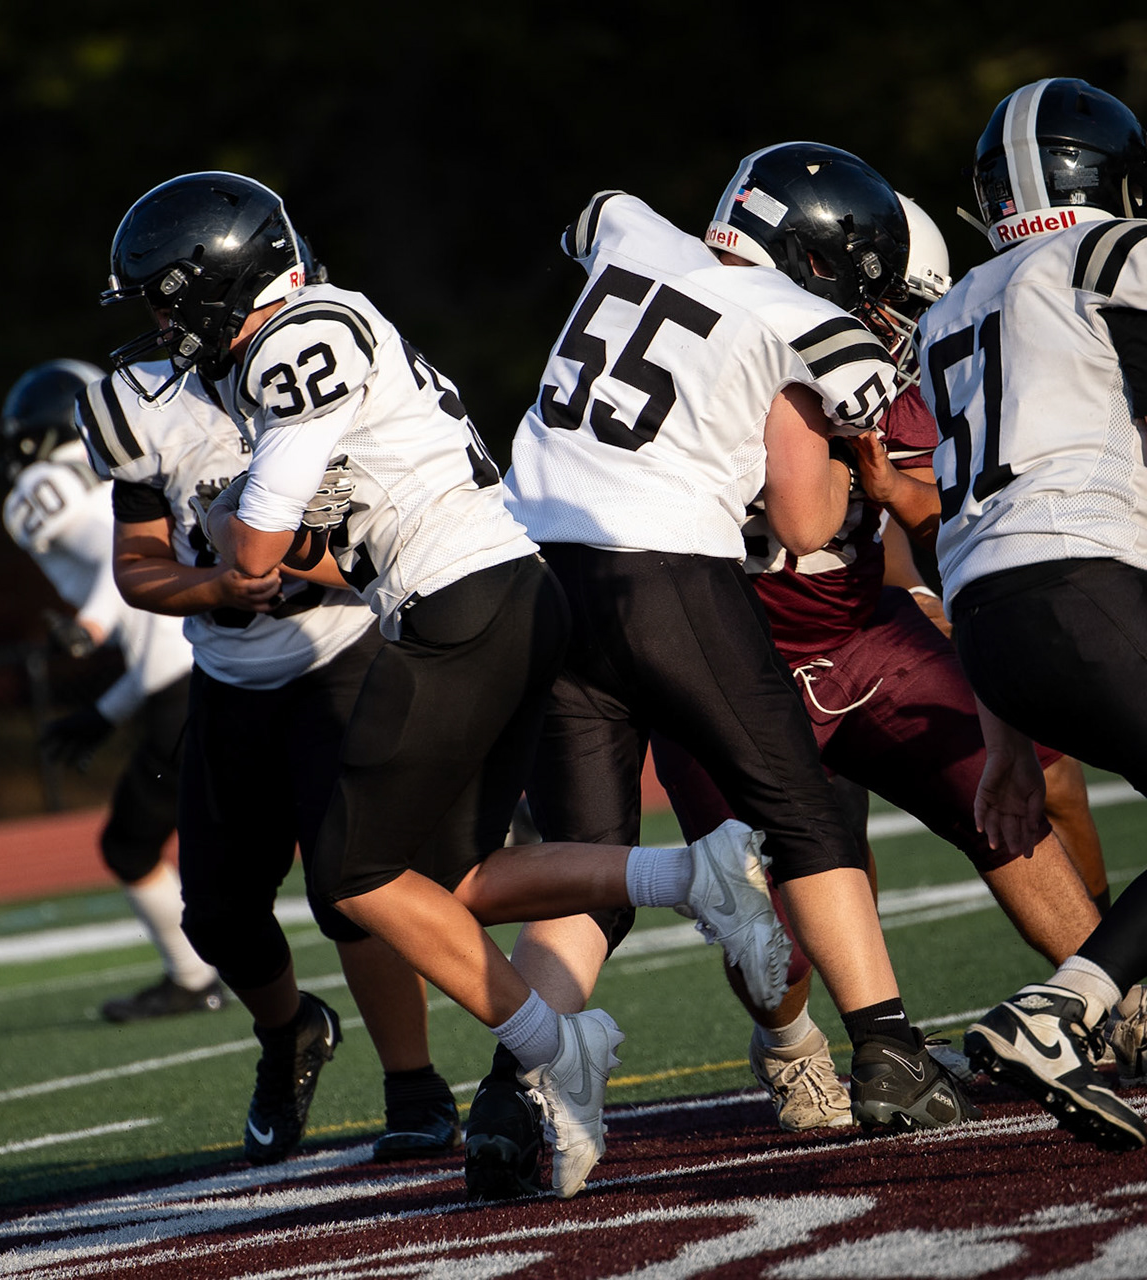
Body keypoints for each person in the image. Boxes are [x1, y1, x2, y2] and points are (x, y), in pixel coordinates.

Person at [98, 171, 792, 1199]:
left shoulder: (295, 342)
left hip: (457, 604)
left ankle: (559, 1049)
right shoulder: (338, 319)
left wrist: (259, 529)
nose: (160, 322)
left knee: (354, 878)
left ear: (218, 282)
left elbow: (253, 551)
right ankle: (693, 875)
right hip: (506, 593)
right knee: (450, 875)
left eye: (167, 296)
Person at [487, 143, 985, 1193]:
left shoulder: (632, 229)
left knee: (591, 858)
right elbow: (806, 517)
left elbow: (591, 214)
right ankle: (890, 1050)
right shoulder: (796, 315)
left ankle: (507, 1094)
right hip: (661, 571)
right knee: (799, 810)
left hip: (528, 571)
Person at [647, 196, 1104, 1132]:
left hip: (858, 632)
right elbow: (803, 518)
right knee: (763, 917)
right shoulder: (698, 364)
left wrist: (904, 504)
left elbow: (936, 510)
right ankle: (792, 1046)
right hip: (720, 663)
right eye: (883, 303)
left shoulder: (883, 384)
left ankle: (1104, 996)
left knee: (1000, 788)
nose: (893, 328)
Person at [80, 340, 461, 1164]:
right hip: (226, 678)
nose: (159, 320)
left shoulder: (313, 374)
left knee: (351, 886)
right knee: (216, 913)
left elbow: (397, 532)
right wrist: (216, 586)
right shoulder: (144, 408)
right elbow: (137, 566)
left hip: (341, 661)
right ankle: (291, 1032)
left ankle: (415, 1085)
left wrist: (297, 562)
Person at [898, 75, 1147, 1152]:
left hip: (993, 623)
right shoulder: (1110, 254)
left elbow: (962, 517)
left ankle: (1076, 998)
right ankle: (1066, 1007)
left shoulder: (952, 308)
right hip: (1087, 585)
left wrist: (1005, 740)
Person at [0, 359, 225, 1022]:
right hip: (217, 660)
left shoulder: (45, 487)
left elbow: (121, 569)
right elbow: (154, 631)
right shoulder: (145, 464)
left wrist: (89, 626)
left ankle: (192, 978)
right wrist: (105, 710)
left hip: (186, 687)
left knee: (130, 845)